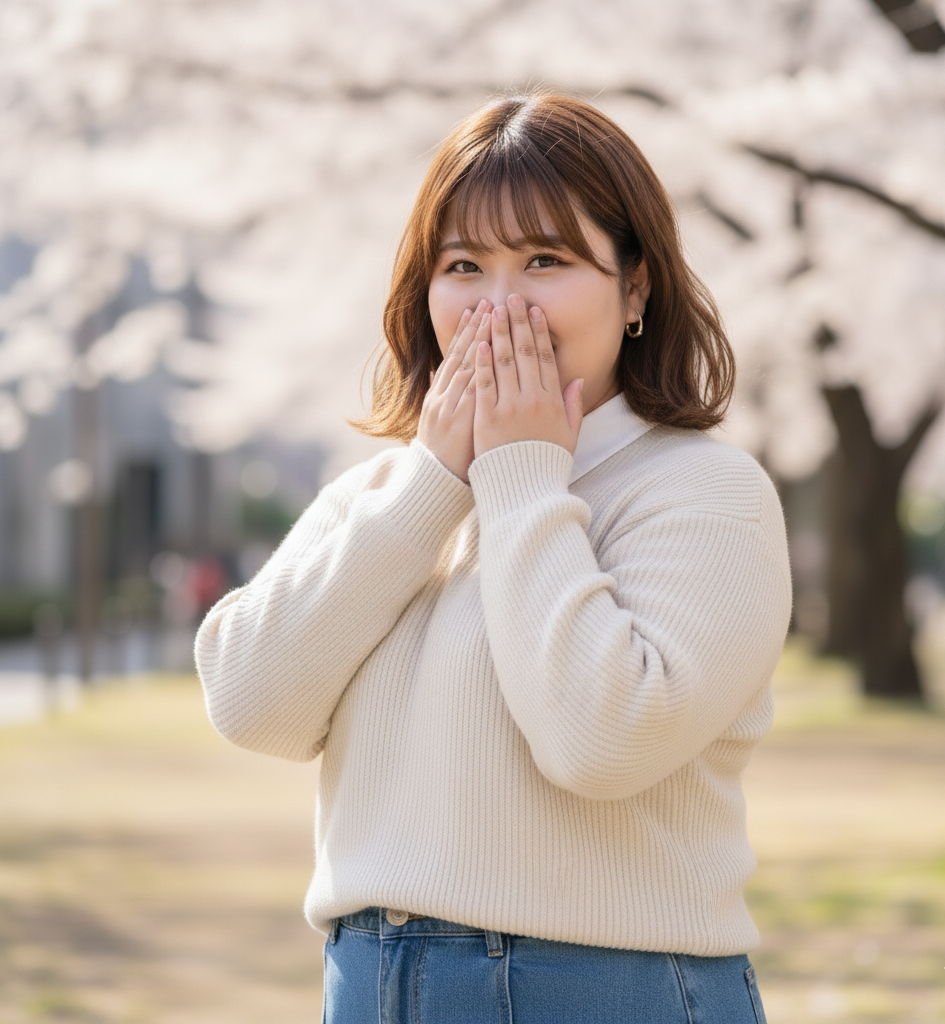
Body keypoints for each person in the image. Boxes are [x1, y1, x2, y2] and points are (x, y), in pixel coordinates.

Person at [195, 92, 791, 1023]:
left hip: (605, 986)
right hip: (374, 979)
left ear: (635, 287)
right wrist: (437, 477)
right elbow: (250, 705)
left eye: (545, 260)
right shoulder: (388, 496)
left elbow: (602, 739)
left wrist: (520, 475)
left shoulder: (701, 492)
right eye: (463, 265)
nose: (498, 304)